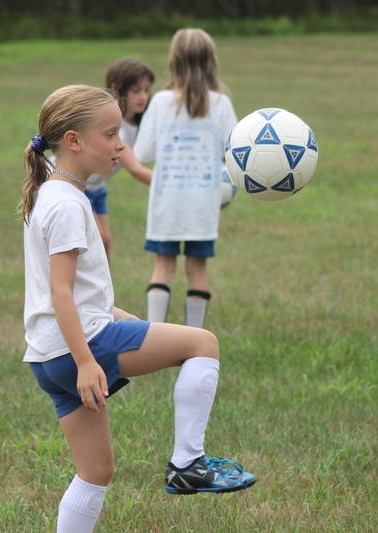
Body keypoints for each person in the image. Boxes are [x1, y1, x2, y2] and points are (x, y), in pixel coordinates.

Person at [21, 85, 256, 532]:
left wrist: (119, 317)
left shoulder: (50, 192)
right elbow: (61, 293)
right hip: (78, 350)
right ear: (73, 141)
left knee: (96, 473)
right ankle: (188, 464)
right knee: (202, 343)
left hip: (47, 356)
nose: (121, 145)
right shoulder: (68, 203)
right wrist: (88, 362)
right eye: (110, 134)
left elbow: (75, 294)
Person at [133, 28, 237, 328]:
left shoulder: (161, 102)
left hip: (167, 203)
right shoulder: (221, 104)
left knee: (163, 268)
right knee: (197, 270)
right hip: (203, 205)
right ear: (211, 61)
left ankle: (155, 338)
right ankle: (193, 343)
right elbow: (234, 155)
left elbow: (142, 152)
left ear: (173, 61)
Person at [85, 58, 154, 262]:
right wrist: (175, 187)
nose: (143, 97)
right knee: (99, 240)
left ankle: (103, 292)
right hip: (75, 185)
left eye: (146, 90)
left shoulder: (138, 122)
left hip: (96, 188)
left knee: (105, 242)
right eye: (136, 90)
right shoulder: (116, 129)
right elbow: (135, 170)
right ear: (116, 89)